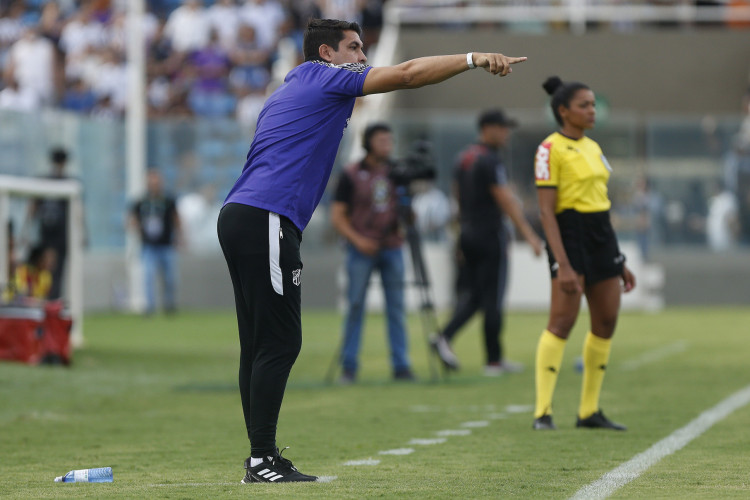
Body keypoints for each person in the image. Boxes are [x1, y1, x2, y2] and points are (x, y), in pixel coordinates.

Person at [216, 18, 527, 483]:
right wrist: (472, 59)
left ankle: (261, 457)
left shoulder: (289, 89)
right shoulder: (326, 77)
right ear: (326, 54)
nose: (363, 58)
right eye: (354, 48)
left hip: (244, 214)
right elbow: (405, 74)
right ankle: (261, 459)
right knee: (281, 341)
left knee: (259, 344)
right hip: (266, 216)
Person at [532, 76, 636, 431]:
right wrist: (563, 263)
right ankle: (542, 412)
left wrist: (618, 259)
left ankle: (588, 411)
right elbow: (547, 211)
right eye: (584, 105)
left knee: (606, 321)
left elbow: (601, 205)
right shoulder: (550, 149)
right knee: (562, 322)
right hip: (569, 235)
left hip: (601, 236)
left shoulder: (592, 147)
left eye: (593, 104)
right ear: (563, 111)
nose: (593, 111)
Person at [431, 109, 543, 376]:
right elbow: (505, 200)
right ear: (487, 128)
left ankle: (445, 337)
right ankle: (493, 360)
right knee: (492, 297)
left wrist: (459, 236)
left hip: (469, 234)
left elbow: (457, 198)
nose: (506, 134)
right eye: (502, 128)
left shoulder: (464, 158)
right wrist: (529, 235)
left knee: (476, 296)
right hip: (489, 234)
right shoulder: (490, 160)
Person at [330, 122, 414, 384]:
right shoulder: (351, 173)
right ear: (368, 143)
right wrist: (357, 239)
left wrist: (407, 211)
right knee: (355, 306)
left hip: (392, 246)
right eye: (382, 140)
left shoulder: (397, 173)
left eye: (390, 140)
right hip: (360, 249)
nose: (387, 145)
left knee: (397, 307)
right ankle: (349, 366)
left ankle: (401, 365)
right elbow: (338, 215)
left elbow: (409, 213)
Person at [129, 170, 182, 315]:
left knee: (170, 278)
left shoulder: (168, 200)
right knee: (148, 277)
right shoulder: (141, 201)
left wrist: (179, 237)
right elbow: (132, 219)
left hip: (166, 245)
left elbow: (176, 219)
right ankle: (149, 308)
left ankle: (169, 306)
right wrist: (138, 230)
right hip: (148, 246)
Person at [25, 147, 72, 299]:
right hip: (47, 235)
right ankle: (45, 301)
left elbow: (77, 212)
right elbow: (32, 207)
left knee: (57, 272)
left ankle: (53, 303)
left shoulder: (69, 183)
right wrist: (26, 231)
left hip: (61, 236)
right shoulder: (44, 181)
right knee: (44, 271)